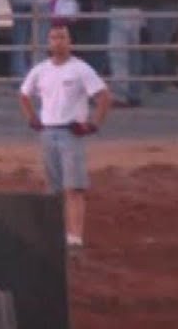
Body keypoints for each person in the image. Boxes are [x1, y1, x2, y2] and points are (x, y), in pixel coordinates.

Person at [18, 23, 112, 255]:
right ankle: (60, 236)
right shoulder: (41, 70)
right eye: (54, 37)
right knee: (55, 188)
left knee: (73, 188)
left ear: (69, 41)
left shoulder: (81, 69)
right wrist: (32, 118)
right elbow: (23, 94)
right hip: (49, 131)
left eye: (62, 37)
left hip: (70, 132)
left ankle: (74, 238)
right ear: (49, 42)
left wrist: (92, 124)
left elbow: (104, 97)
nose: (58, 42)